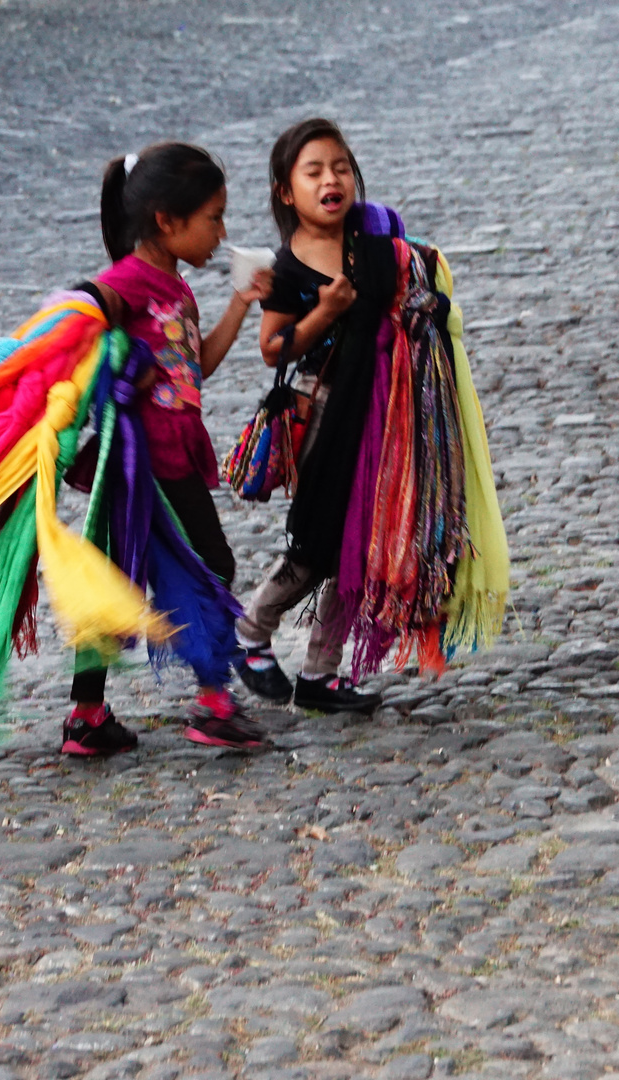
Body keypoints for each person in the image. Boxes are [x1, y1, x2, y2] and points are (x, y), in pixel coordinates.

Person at [62, 142, 272, 756]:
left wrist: (239, 303)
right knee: (210, 564)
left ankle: (88, 716)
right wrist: (123, 369)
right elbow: (72, 338)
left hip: (174, 449)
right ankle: (212, 702)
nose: (222, 232)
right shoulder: (121, 284)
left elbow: (196, 365)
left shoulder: (176, 288)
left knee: (118, 580)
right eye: (213, 217)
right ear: (166, 220)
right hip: (144, 462)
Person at [234, 119, 387, 713]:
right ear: (285, 192)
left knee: (362, 547)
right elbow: (274, 347)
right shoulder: (290, 267)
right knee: (318, 541)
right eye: (315, 170)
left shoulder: (371, 244)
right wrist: (324, 315)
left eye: (342, 167)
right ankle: (252, 628)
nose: (333, 179)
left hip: (376, 414)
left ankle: (322, 673)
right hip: (322, 415)